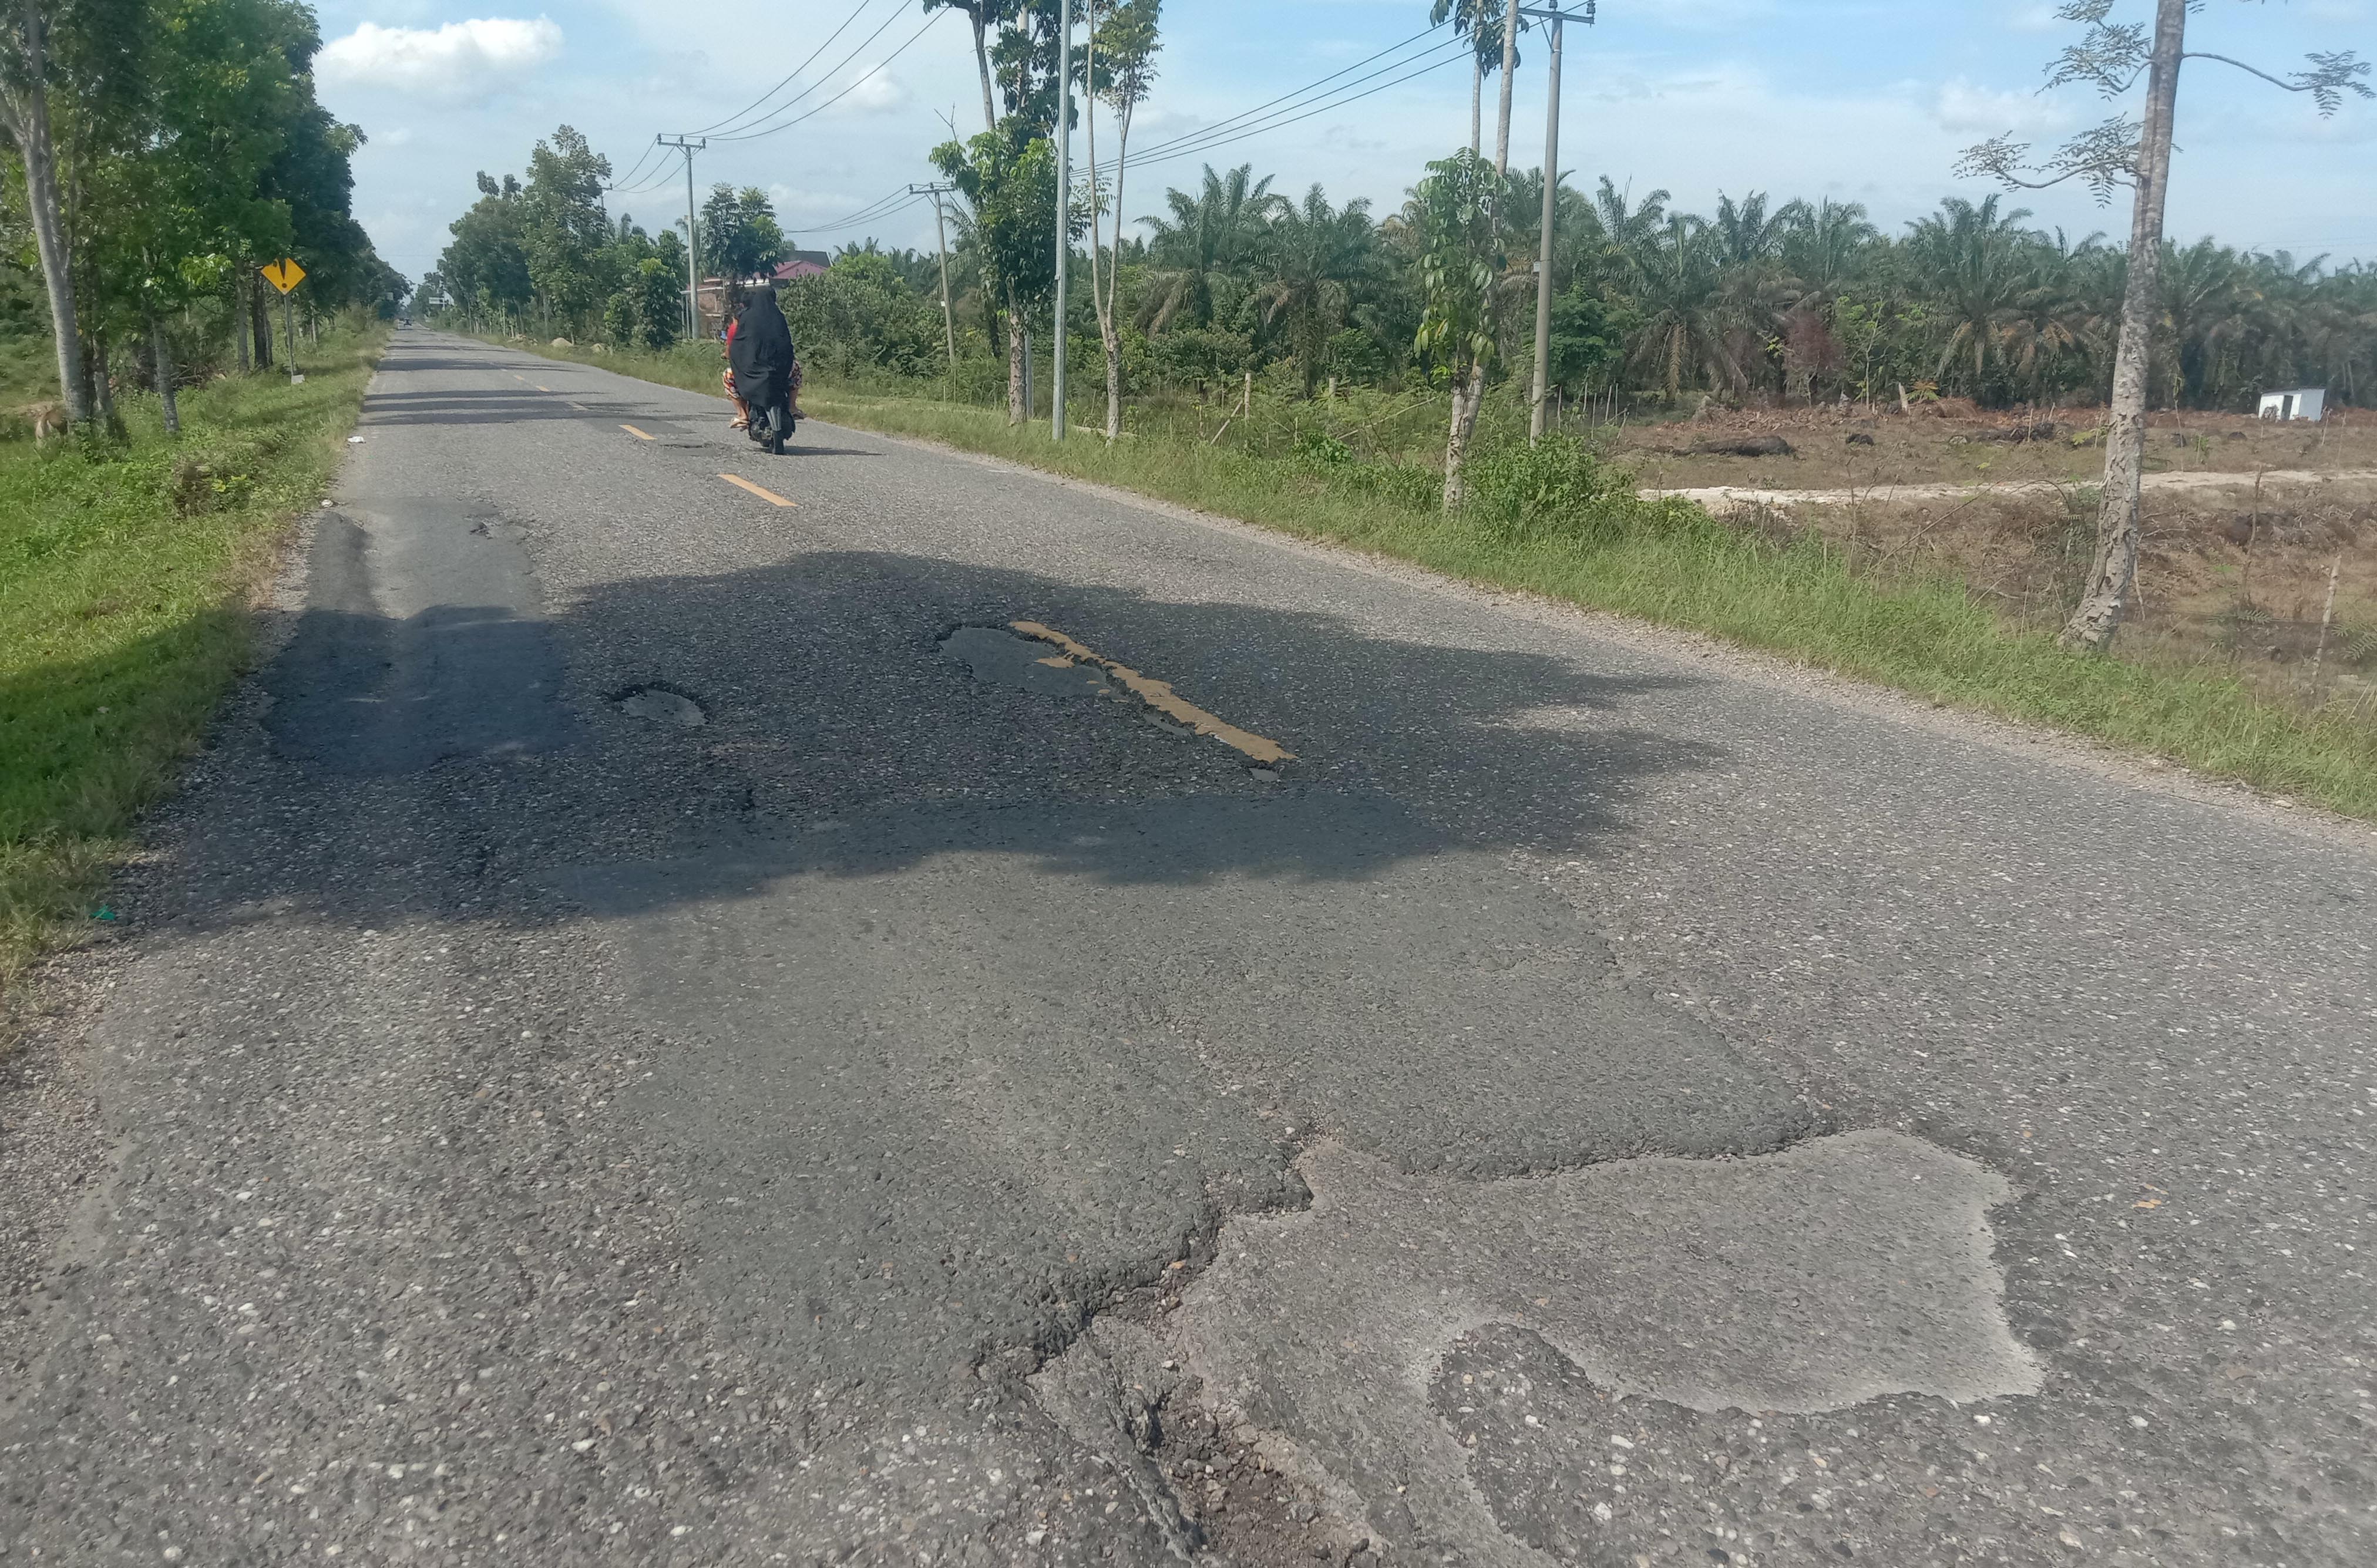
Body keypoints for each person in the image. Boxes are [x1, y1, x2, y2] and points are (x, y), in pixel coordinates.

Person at [727, 283, 797, 433]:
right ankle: (792, 406)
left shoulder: (746, 318)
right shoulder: (779, 317)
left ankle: (742, 414)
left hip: (753, 372)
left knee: (727, 376)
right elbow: (787, 344)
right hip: (779, 370)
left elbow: (737, 345)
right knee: (797, 369)